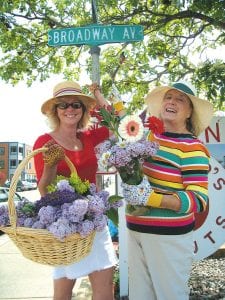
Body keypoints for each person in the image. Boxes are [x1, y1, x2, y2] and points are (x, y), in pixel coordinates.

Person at [121, 81, 214, 300]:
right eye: (168, 97)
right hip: (136, 231)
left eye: (180, 99)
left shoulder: (193, 148)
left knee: (170, 295)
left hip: (168, 238)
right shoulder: (149, 137)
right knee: (140, 296)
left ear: (190, 112)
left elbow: (199, 199)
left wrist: (151, 199)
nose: (171, 101)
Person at [33, 81, 118, 300]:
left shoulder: (88, 137)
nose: (70, 109)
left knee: (105, 288)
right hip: (66, 223)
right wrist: (51, 164)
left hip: (94, 219)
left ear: (83, 110)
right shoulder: (44, 141)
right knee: (63, 293)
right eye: (63, 105)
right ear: (55, 111)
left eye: (76, 105)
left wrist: (97, 93)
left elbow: (114, 121)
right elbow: (43, 189)